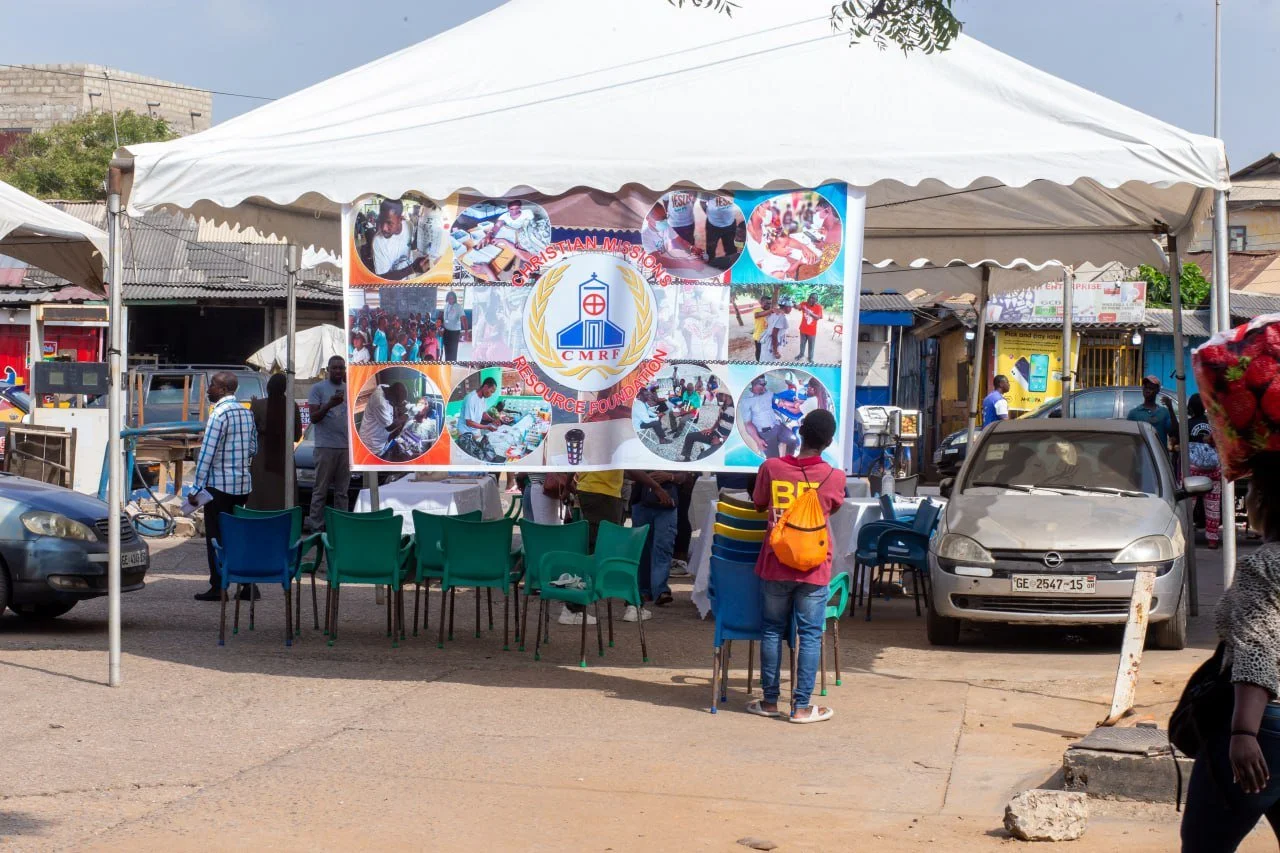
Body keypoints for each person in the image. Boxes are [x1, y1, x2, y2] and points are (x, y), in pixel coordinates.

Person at [1181, 454, 1280, 851]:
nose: (1247, 499)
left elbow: (1258, 647)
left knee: (1205, 842)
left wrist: (1242, 733)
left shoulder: (1264, 565)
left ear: (1267, 502)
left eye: (1252, 491)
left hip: (1266, 727)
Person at [747, 409, 846, 723]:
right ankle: (802, 707)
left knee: (772, 630)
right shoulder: (834, 476)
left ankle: (770, 701)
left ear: (800, 433)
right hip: (814, 566)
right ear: (828, 441)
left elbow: (759, 502)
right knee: (811, 634)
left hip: (776, 562)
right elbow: (834, 506)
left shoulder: (771, 467)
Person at [568, 469, 671, 626]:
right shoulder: (610, 443)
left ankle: (631, 603)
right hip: (603, 494)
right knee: (611, 551)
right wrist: (656, 486)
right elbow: (628, 467)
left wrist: (569, 479)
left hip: (593, 490)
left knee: (600, 548)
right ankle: (574, 607)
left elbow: (621, 469)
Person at [190, 372, 259, 602]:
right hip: (242, 486)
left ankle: (219, 586)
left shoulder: (218, 414)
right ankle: (248, 584)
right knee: (238, 535)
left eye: (212, 385)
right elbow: (252, 448)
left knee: (216, 538)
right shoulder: (246, 413)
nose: (209, 389)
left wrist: (196, 489)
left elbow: (206, 454)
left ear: (222, 389)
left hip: (218, 487)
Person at [631, 471, 687, 611]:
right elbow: (629, 471)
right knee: (642, 549)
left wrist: (670, 476)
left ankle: (660, 590)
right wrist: (654, 484)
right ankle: (644, 590)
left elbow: (685, 474)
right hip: (641, 502)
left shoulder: (676, 449)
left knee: (664, 546)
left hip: (667, 504)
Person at [248, 373, 303, 512]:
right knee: (283, 495)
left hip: (262, 456)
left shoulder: (258, 405)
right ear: (285, 388)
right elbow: (297, 436)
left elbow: (249, 432)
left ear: (268, 387)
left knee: (261, 495)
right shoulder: (292, 406)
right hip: (284, 458)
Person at [306, 356, 350, 532]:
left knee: (342, 492)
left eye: (341, 368)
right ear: (328, 369)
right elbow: (314, 418)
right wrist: (330, 404)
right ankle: (316, 528)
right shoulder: (317, 388)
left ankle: (340, 527)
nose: (338, 371)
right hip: (325, 446)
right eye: (335, 368)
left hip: (346, 447)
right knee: (320, 490)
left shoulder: (349, 389)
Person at [1187, 392, 1223, 550]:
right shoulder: (1213, 424)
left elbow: (1176, 440)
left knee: (1188, 506)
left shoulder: (1187, 424)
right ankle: (1212, 540)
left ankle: (1184, 537)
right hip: (1213, 472)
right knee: (1213, 507)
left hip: (1192, 473)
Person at [742, 375, 796, 458]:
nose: (764, 388)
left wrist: (793, 404)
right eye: (762, 385)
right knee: (773, 458)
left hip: (778, 426)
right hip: (765, 433)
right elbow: (748, 424)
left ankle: (788, 460)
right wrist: (758, 440)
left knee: (793, 440)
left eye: (765, 384)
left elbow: (777, 399)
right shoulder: (746, 401)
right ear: (753, 383)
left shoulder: (767, 393)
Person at [358, 382, 409, 459]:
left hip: (380, 440)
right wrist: (408, 414)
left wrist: (400, 404)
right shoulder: (380, 402)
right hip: (371, 443)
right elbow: (390, 427)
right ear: (391, 397)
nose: (396, 405)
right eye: (396, 403)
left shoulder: (385, 387)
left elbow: (393, 405)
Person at [1126, 374, 1176, 452]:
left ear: (1157, 391)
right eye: (1146, 387)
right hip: (1142, 458)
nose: (1147, 390)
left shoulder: (1164, 412)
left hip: (1160, 459)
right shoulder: (1134, 414)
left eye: (1151, 388)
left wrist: (1170, 408)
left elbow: (1173, 432)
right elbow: (1128, 440)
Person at [681, 392, 735, 462]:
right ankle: (686, 459)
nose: (716, 396)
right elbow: (718, 421)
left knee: (701, 457)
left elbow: (736, 434)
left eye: (719, 394)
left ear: (727, 395)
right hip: (716, 434)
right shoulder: (723, 407)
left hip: (725, 441)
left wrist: (720, 440)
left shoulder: (735, 410)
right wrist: (711, 429)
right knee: (690, 436)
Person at [456, 376, 499, 461]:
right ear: (485, 387)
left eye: (492, 393)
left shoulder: (483, 399)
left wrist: (492, 420)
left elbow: (483, 413)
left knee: (479, 454)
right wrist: (487, 427)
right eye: (491, 391)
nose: (491, 395)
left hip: (475, 431)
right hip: (465, 432)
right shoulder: (471, 398)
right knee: (468, 457)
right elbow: (469, 422)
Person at [702, 195, 738, 266]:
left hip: (730, 224)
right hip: (713, 225)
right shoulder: (709, 186)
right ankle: (710, 267)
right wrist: (709, 214)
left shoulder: (732, 186)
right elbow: (702, 202)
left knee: (731, 250)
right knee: (710, 250)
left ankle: (729, 268)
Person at [796, 293, 823, 363]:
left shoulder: (818, 307)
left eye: (813, 298)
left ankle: (810, 358)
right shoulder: (804, 304)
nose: (811, 299)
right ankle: (801, 354)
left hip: (812, 331)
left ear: (816, 300)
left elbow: (818, 317)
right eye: (810, 297)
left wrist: (809, 313)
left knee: (811, 346)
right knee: (802, 344)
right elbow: (798, 307)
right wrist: (794, 304)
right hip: (803, 329)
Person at [440, 291, 465, 361]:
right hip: (446, 331)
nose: (450, 299)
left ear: (455, 298)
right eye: (449, 298)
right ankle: (447, 361)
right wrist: (442, 328)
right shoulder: (446, 305)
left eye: (452, 298)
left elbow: (463, 318)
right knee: (447, 349)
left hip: (454, 332)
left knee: (453, 350)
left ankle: (452, 363)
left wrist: (466, 331)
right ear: (447, 298)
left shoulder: (458, 307)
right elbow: (444, 318)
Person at [767, 296, 793, 360]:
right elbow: (774, 335)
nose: (791, 309)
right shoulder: (781, 316)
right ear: (785, 307)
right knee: (770, 362)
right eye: (790, 307)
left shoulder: (775, 313)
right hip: (772, 343)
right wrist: (775, 351)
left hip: (771, 341)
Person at [752, 295, 773, 361]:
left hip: (767, 337)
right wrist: (771, 310)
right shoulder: (757, 310)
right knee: (759, 352)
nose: (769, 305)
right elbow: (757, 315)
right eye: (767, 303)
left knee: (765, 353)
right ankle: (758, 364)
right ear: (761, 302)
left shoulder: (769, 311)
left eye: (770, 303)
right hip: (759, 337)